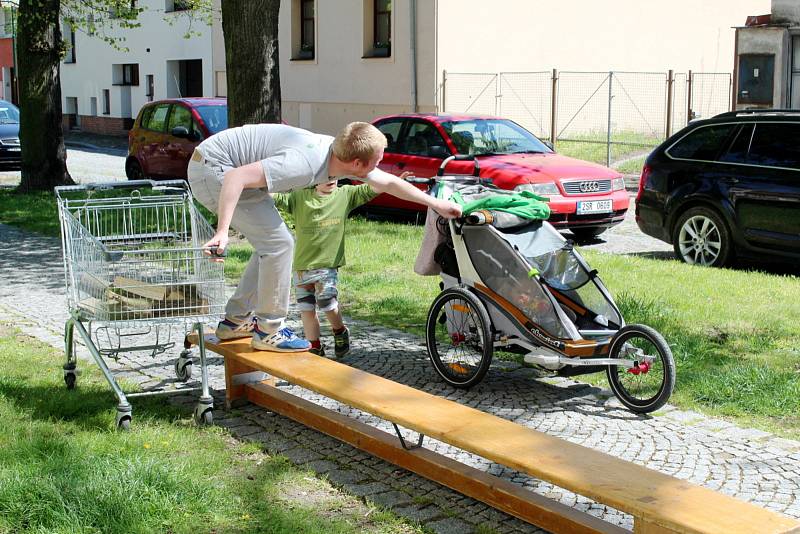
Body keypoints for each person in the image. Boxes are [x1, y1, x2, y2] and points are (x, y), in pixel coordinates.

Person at [187, 121, 461, 352]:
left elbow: (389, 182)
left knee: (273, 245)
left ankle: (235, 321)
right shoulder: (304, 164)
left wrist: (435, 204)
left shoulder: (337, 153)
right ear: (357, 164)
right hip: (214, 170)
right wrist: (222, 231)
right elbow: (236, 177)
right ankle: (268, 330)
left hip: (224, 164)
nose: (381, 164)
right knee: (279, 244)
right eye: (378, 160)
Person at [272, 177, 399, 357]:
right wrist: (252, 188)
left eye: (334, 175)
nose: (331, 179)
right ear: (314, 178)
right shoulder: (299, 198)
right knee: (306, 309)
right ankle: (314, 345)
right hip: (301, 268)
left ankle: (339, 330)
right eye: (326, 176)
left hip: (326, 266)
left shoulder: (345, 194)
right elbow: (276, 197)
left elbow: (371, 188)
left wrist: (393, 181)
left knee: (327, 303)